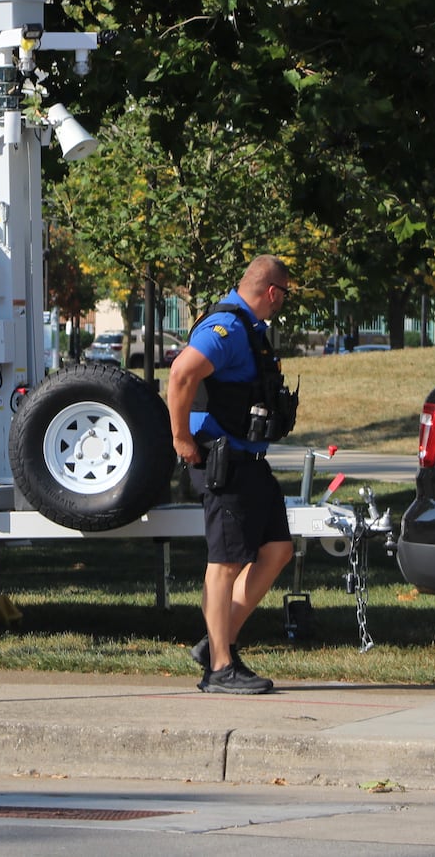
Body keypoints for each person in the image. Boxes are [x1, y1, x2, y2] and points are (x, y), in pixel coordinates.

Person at [166, 254, 297, 694]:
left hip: (251, 461)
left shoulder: (250, 329)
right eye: (285, 296)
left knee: (277, 549)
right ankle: (220, 669)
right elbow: (182, 373)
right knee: (224, 563)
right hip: (224, 461)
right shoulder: (226, 329)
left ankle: (214, 643)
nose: (283, 304)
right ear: (273, 292)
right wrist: (181, 438)